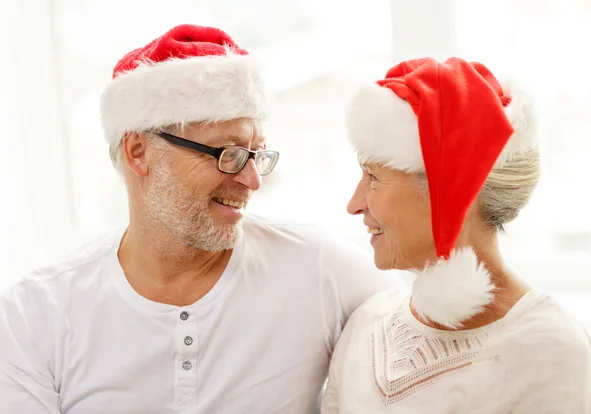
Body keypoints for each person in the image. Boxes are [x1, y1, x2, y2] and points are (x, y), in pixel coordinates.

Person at [0, 24, 399, 413]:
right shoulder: (33, 317)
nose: (253, 180)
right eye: (227, 153)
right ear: (139, 151)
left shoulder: (323, 273)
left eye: (256, 154)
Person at [321, 57, 591, 413]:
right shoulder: (367, 323)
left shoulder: (549, 351)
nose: (354, 204)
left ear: (451, 193)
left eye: (373, 177)